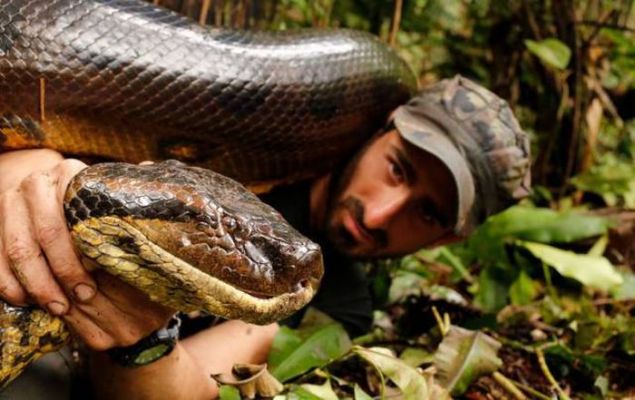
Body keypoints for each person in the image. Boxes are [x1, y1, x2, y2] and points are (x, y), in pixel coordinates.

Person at [0, 75, 530, 399]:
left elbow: (188, 389)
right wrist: (35, 174)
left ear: (444, 242)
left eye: (427, 213)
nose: (379, 213)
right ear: (382, 127)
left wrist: (141, 338)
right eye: (398, 168)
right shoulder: (230, 135)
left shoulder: (335, 302)